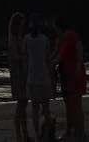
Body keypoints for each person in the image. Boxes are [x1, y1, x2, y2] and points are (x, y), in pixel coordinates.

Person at [25, 14, 53, 142]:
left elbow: (25, 58)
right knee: (46, 109)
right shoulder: (45, 39)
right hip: (44, 77)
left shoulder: (26, 39)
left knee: (35, 109)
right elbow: (47, 59)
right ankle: (48, 135)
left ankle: (37, 135)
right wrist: (52, 77)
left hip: (32, 78)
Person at [8, 12, 29, 142]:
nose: (23, 26)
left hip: (23, 74)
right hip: (18, 75)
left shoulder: (20, 38)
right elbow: (14, 57)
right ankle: (19, 135)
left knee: (23, 104)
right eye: (21, 24)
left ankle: (24, 134)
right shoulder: (13, 40)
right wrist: (25, 57)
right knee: (21, 104)